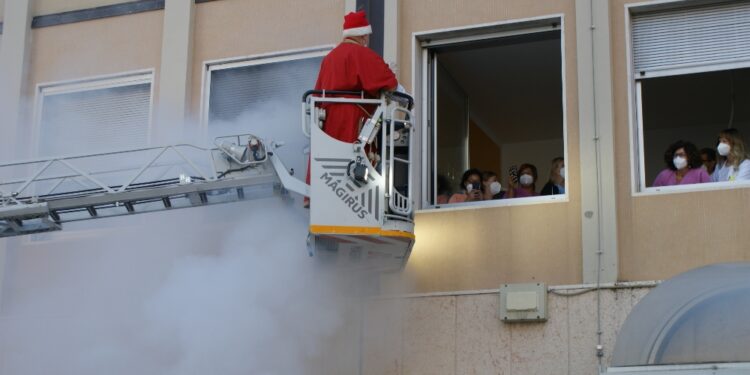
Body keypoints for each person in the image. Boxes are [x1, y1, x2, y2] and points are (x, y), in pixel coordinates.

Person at [304, 10, 399, 207]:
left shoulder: (329, 58)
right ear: (363, 34)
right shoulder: (361, 53)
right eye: (367, 36)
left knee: (329, 161)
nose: (368, 40)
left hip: (328, 120)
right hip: (352, 117)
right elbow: (389, 83)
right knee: (352, 163)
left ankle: (318, 196)